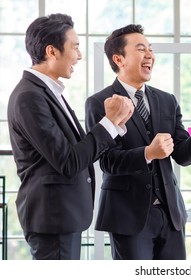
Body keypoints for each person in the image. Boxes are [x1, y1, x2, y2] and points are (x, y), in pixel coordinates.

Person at [7, 13, 134, 260]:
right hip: (53, 219)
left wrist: (115, 122)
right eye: (75, 47)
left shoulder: (48, 92)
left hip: (61, 217)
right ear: (52, 52)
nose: (79, 55)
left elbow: (73, 151)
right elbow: (68, 161)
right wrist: (108, 122)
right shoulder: (29, 96)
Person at [85, 24, 191, 260]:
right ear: (119, 59)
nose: (150, 55)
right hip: (128, 216)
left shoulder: (166, 100)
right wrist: (148, 153)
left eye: (150, 50)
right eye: (141, 49)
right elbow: (108, 162)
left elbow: (182, 155)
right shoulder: (99, 102)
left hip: (169, 214)